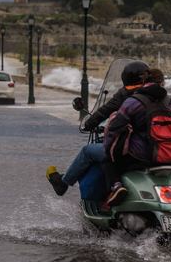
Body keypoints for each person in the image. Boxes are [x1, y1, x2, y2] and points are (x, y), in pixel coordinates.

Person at [46, 61, 150, 202]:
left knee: (88, 151)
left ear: (125, 78)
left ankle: (63, 184)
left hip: (132, 151)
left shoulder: (127, 96)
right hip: (158, 151)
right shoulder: (160, 97)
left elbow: (105, 111)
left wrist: (88, 124)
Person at [102, 68, 171, 191]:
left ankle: (116, 186)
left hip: (140, 157)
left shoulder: (133, 102)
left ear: (143, 82)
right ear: (162, 83)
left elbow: (114, 129)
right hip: (169, 156)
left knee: (107, 158)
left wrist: (108, 148)